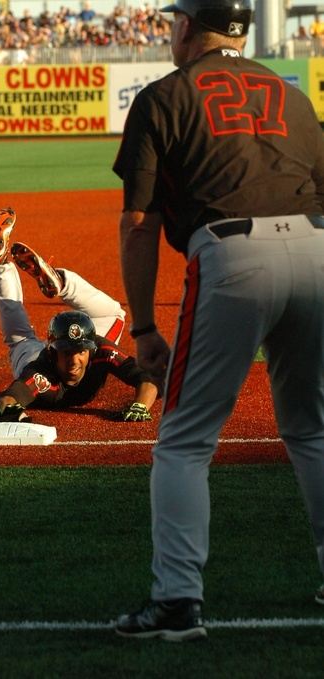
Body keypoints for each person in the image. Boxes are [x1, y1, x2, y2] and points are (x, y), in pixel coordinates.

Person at [112, 0, 324, 642]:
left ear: (186, 26)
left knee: (184, 440)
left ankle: (177, 602)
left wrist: (144, 327)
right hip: (317, 248)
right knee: (313, 429)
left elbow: (139, 225)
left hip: (233, 254)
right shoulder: (292, 96)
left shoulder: (163, 96)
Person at [0, 207, 158, 422]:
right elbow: (7, 400)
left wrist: (140, 406)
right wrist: (14, 414)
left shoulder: (100, 349)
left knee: (112, 315)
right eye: (67, 353)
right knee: (20, 339)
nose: (74, 361)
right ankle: (56, 281)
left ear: (91, 349)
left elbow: (147, 378)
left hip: (62, 345)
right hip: (33, 355)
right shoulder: (40, 373)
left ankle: (7, 268)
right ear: (52, 352)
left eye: (81, 351)